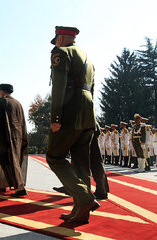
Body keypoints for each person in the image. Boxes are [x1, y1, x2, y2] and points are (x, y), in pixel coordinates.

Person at [46, 26, 99, 224]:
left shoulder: (61, 53)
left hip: (70, 111)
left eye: (56, 39)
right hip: (87, 113)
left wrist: (56, 118)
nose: (55, 43)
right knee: (81, 163)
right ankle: (81, 211)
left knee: (54, 156)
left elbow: (59, 86)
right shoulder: (88, 58)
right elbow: (91, 89)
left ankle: (85, 198)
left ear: (60, 38)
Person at [0, 84, 29, 197]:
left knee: (9, 161)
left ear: (1, 91)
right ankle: (3, 185)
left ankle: (19, 188)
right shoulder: (18, 103)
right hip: (19, 137)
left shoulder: (1, 102)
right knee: (9, 161)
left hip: (5, 136)